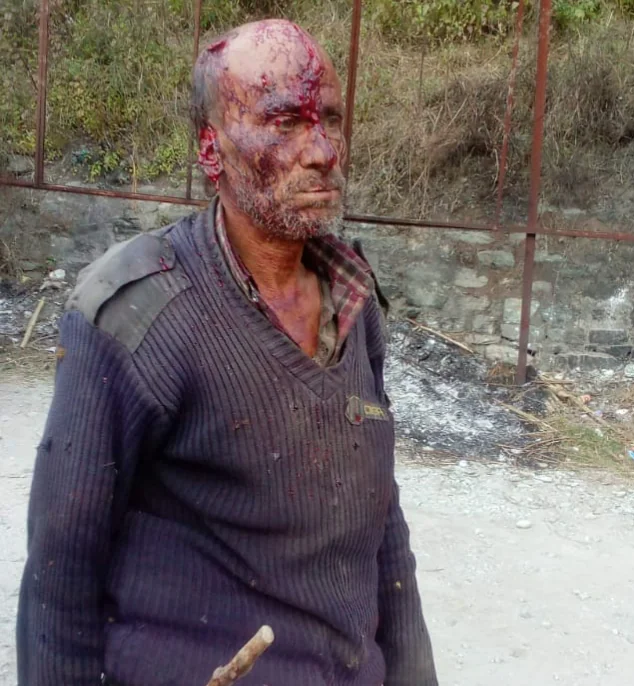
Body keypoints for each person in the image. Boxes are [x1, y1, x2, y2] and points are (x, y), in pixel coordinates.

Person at [16, 18, 437, 686]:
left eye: (329, 119)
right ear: (211, 150)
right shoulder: (136, 313)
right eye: (285, 123)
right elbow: (60, 576)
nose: (322, 150)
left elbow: (379, 519)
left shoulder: (351, 299)